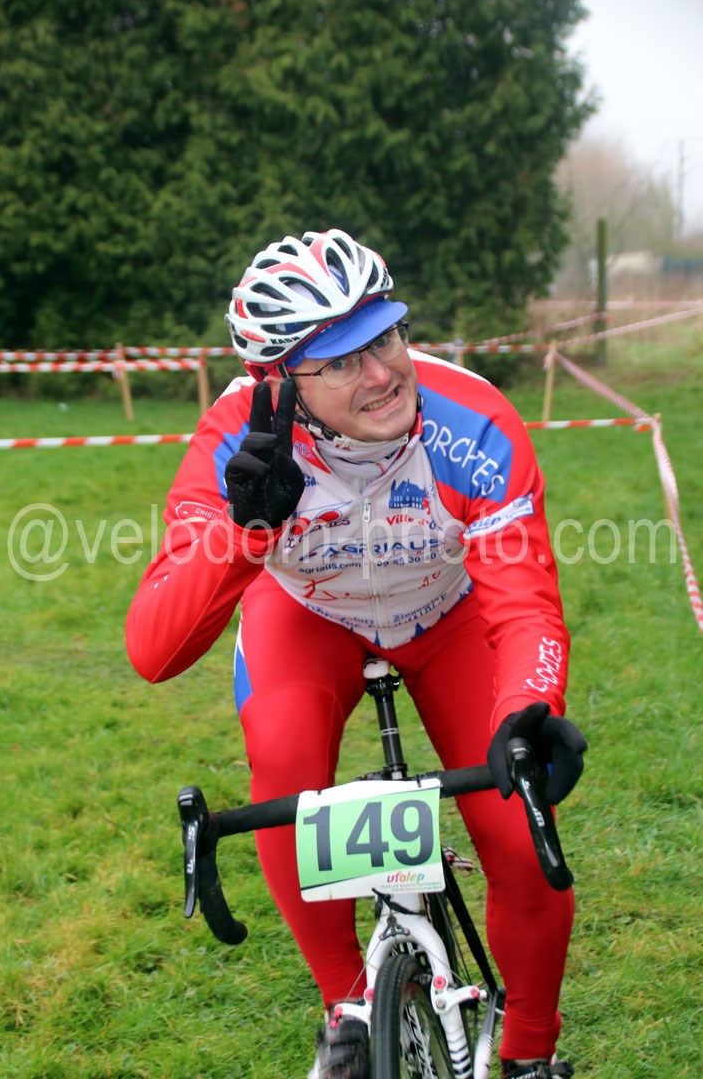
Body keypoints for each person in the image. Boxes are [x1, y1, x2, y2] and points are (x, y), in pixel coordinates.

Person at [125, 228, 587, 1079]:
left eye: (385, 337)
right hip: (309, 616)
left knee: (522, 837)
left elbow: (524, 604)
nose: (380, 374)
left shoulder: (473, 421)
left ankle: (529, 1053)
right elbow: (153, 648)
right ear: (278, 383)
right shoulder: (234, 441)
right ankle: (347, 1006)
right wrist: (245, 530)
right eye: (338, 362)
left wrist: (530, 710)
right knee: (283, 765)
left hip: (448, 613)